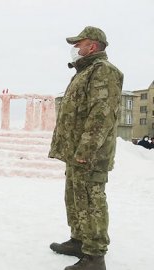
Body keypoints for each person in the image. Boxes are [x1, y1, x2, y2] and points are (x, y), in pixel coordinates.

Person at [48, 26, 123, 270]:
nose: (75, 49)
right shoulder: (85, 71)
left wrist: (85, 151)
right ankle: (79, 241)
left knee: (91, 201)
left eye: (79, 44)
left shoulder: (103, 71)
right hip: (76, 153)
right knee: (75, 197)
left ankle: (95, 256)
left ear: (92, 46)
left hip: (89, 155)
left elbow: (101, 115)